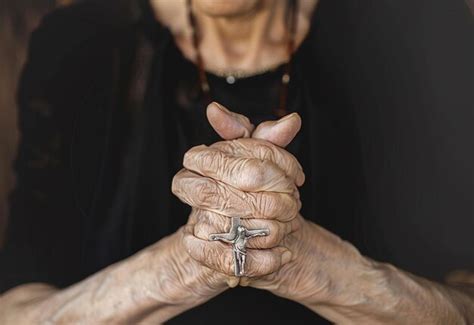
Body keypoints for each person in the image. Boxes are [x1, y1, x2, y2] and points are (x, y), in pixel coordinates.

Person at [1, 0, 473, 323]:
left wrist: (312, 265)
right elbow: (18, 312)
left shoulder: (416, 23)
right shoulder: (81, 43)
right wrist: (186, 265)